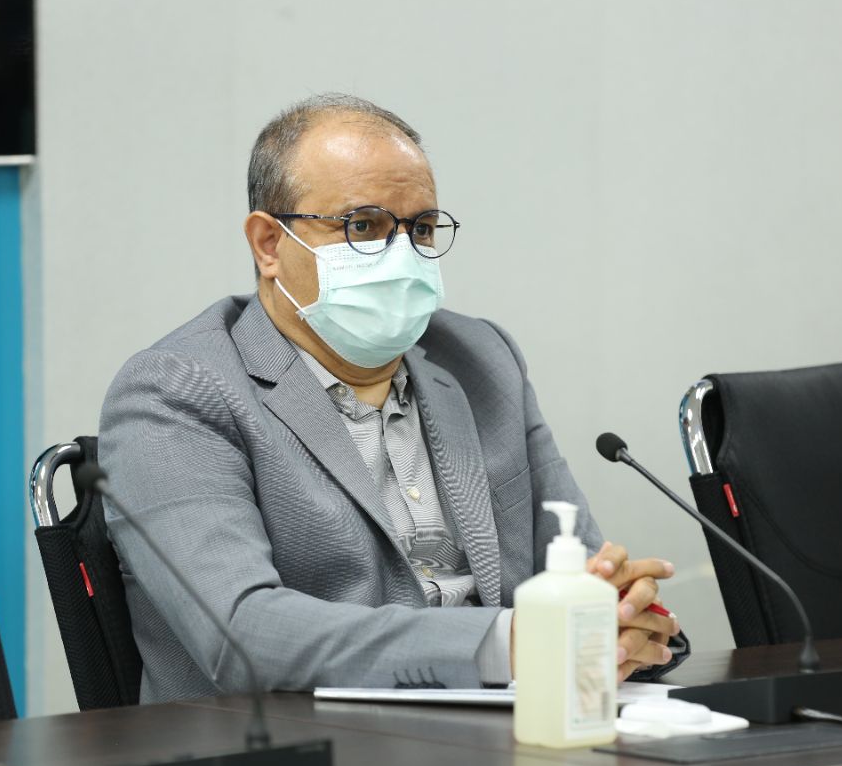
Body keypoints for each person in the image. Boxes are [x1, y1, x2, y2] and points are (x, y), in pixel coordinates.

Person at [100, 94, 688, 703]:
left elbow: (582, 576)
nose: (403, 255)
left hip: (514, 724)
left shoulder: (482, 359)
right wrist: (509, 642)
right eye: (363, 226)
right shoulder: (177, 390)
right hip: (300, 746)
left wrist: (622, 620)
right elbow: (241, 633)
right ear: (269, 244)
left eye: (422, 228)